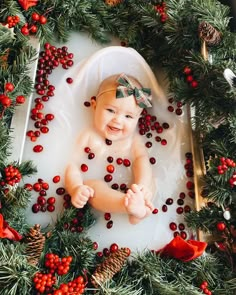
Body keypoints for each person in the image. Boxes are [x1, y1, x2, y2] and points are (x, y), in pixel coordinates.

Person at [64, 73, 156, 224]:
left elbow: (142, 160)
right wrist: (75, 188)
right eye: (111, 111)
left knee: (148, 177)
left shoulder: (133, 140)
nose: (118, 120)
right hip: (106, 189)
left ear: (138, 119)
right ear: (94, 105)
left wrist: (142, 186)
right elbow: (72, 163)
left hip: (133, 188)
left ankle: (139, 207)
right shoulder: (88, 135)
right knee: (92, 187)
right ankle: (128, 207)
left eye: (128, 117)